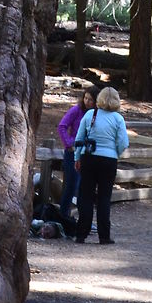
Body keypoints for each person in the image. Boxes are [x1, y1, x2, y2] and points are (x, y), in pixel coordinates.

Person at [74, 85, 129, 246]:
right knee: (104, 198)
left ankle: (81, 234)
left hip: (89, 158)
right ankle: (104, 236)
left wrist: (77, 158)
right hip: (108, 161)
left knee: (86, 197)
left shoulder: (91, 114)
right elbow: (123, 142)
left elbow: (79, 138)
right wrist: (115, 153)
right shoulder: (118, 119)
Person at [57, 87, 95, 225]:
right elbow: (62, 126)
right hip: (73, 152)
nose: (87, 101)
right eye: (86, 98)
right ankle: (63, 217)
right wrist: (69, 143)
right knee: (71, 186)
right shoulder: (76, 110)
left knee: (84, 188)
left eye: (91, 99)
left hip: (89, 154)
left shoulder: (97, 114)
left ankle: (83, 220)